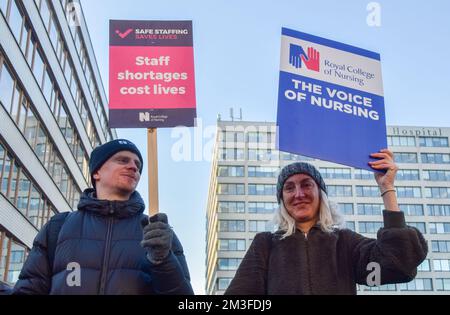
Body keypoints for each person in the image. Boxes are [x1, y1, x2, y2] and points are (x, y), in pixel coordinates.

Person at [225, 149, 428, 295]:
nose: (299, 194)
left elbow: (398, 263)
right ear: (282, 200)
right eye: (289, 188)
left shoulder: (345, 242)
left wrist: (387, 188)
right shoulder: (265, 245)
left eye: (307, 185)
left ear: (321, 195)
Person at [13, 139, 193, 295]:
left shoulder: (156, 232)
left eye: (137, 165)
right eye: (122, 160)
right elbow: (29, 289)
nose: (133, 167)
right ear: (96, 172)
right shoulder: (58, 227)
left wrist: (163, 261)